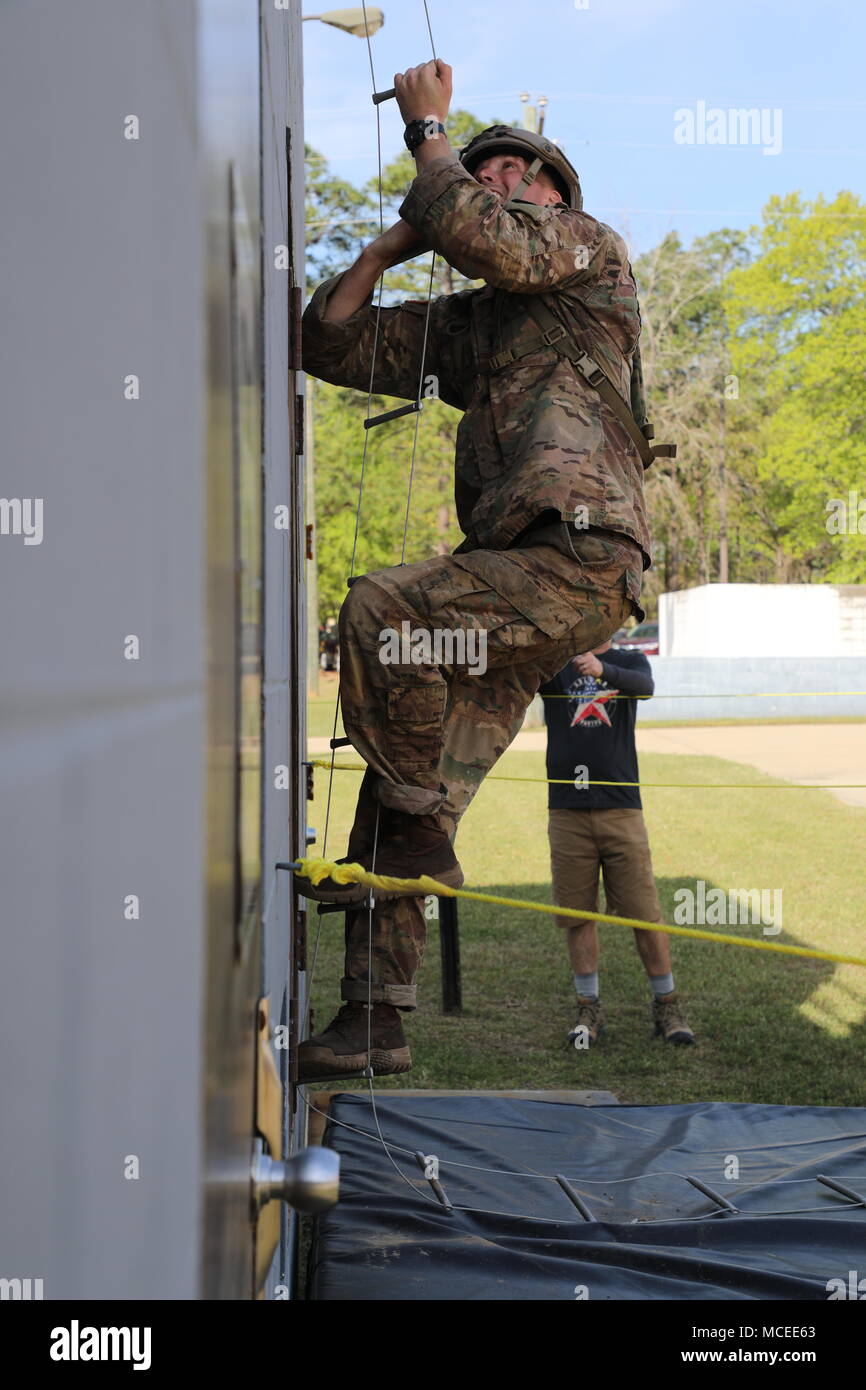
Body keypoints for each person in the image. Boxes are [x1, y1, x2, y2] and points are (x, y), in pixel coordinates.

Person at [295, 59, 672, 1081]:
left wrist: (430, 134)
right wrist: (383, 247)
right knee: (405, 790)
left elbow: (486, 238)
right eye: (485, 166)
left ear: (556, 199)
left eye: (522, 171)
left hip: (578, 555)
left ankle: (415, 844)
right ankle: (374, 1018)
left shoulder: (586, 257)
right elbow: (326, 343)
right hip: (514, 581)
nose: (501, 178)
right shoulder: (474, 331)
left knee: (380, 611)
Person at [540, 638, 695, 1046]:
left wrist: (602, 669)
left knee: (644, 914)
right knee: (577, 914)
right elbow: (515, 677)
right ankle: (588, 1010)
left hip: (622, 809)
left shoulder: (628, 660)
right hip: (567, 809)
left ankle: (668, 1007)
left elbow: (645, 686)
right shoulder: (556, 663)